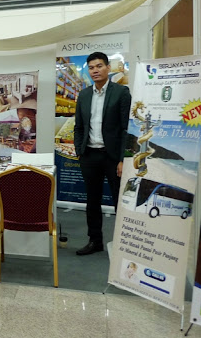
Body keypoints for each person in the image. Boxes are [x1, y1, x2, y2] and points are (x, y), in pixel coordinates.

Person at [74, 52, 131, 255]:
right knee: (92, 201)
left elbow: (126, 128)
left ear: (108, 68)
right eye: (91, 68)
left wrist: (123, 159)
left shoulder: (121, 92)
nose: (95, 71)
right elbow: (79, 127)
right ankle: (95, 241)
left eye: (99, 66)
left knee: (119, 201)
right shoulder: (84, 95)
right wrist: (80, 151)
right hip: (89, 155)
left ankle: (124, 244)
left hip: (112, 157)